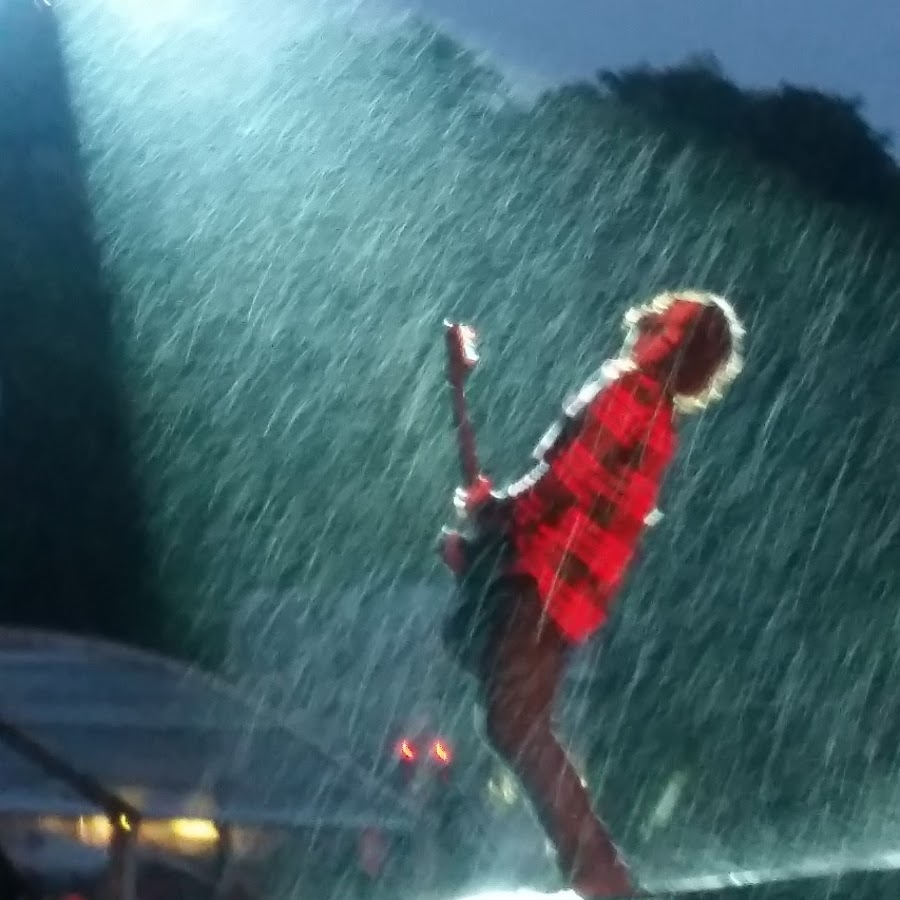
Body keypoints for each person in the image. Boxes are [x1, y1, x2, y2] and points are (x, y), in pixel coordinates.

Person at [443, 290, 745, 898]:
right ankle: (595, 870)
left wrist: (500, 511)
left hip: (545, 579)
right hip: (568, 591)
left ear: (670, 338)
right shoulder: (657, 418)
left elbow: (566, 480)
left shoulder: (631, 392)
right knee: (514, 719)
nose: (645, 322)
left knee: (514, 720)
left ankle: (599, 872)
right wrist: (494, 529)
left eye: (663, 322)